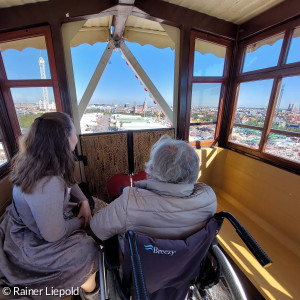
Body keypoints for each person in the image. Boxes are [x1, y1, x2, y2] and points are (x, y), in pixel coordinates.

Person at [0, 112, 99, 300]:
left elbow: (69, 181)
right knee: (89, 249)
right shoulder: (47, 182)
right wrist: (80, 222)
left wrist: (84, 201)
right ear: (63, 138)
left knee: (89, 199)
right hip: (33, 242)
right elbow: (53, 235)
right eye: (73, 130)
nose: (76, 135)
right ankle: (91, 293)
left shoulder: (39, 160)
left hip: (25, 224)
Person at [90, 135, 217, 241]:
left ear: (151, 169)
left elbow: (96, 229)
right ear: (195, 171)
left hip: (140, 269)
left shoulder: (130, 202)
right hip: (189, 266)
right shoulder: (208, 198)